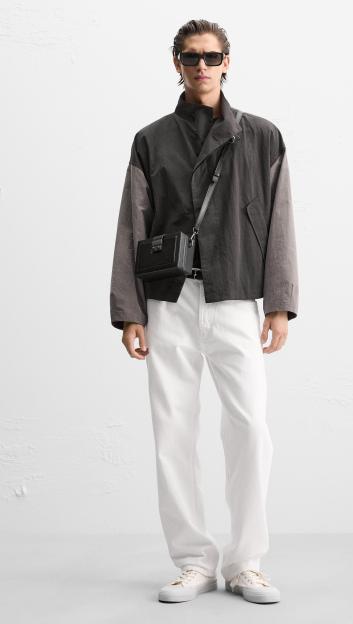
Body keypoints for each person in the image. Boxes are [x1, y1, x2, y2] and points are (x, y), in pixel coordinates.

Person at [110, 19, 299, 605]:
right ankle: (193, 561)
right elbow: (132, 224)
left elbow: (280, 221)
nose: (201, 66)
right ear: (176, 63)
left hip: (236, 295)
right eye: (191, 57)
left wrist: (280, 303)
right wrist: (130, 310)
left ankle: (247, 563)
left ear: (227, 62)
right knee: (173, 432)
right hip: (169, 300)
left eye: (211, 56)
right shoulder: (150, 140)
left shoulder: (261, 135)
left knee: (250, 429)